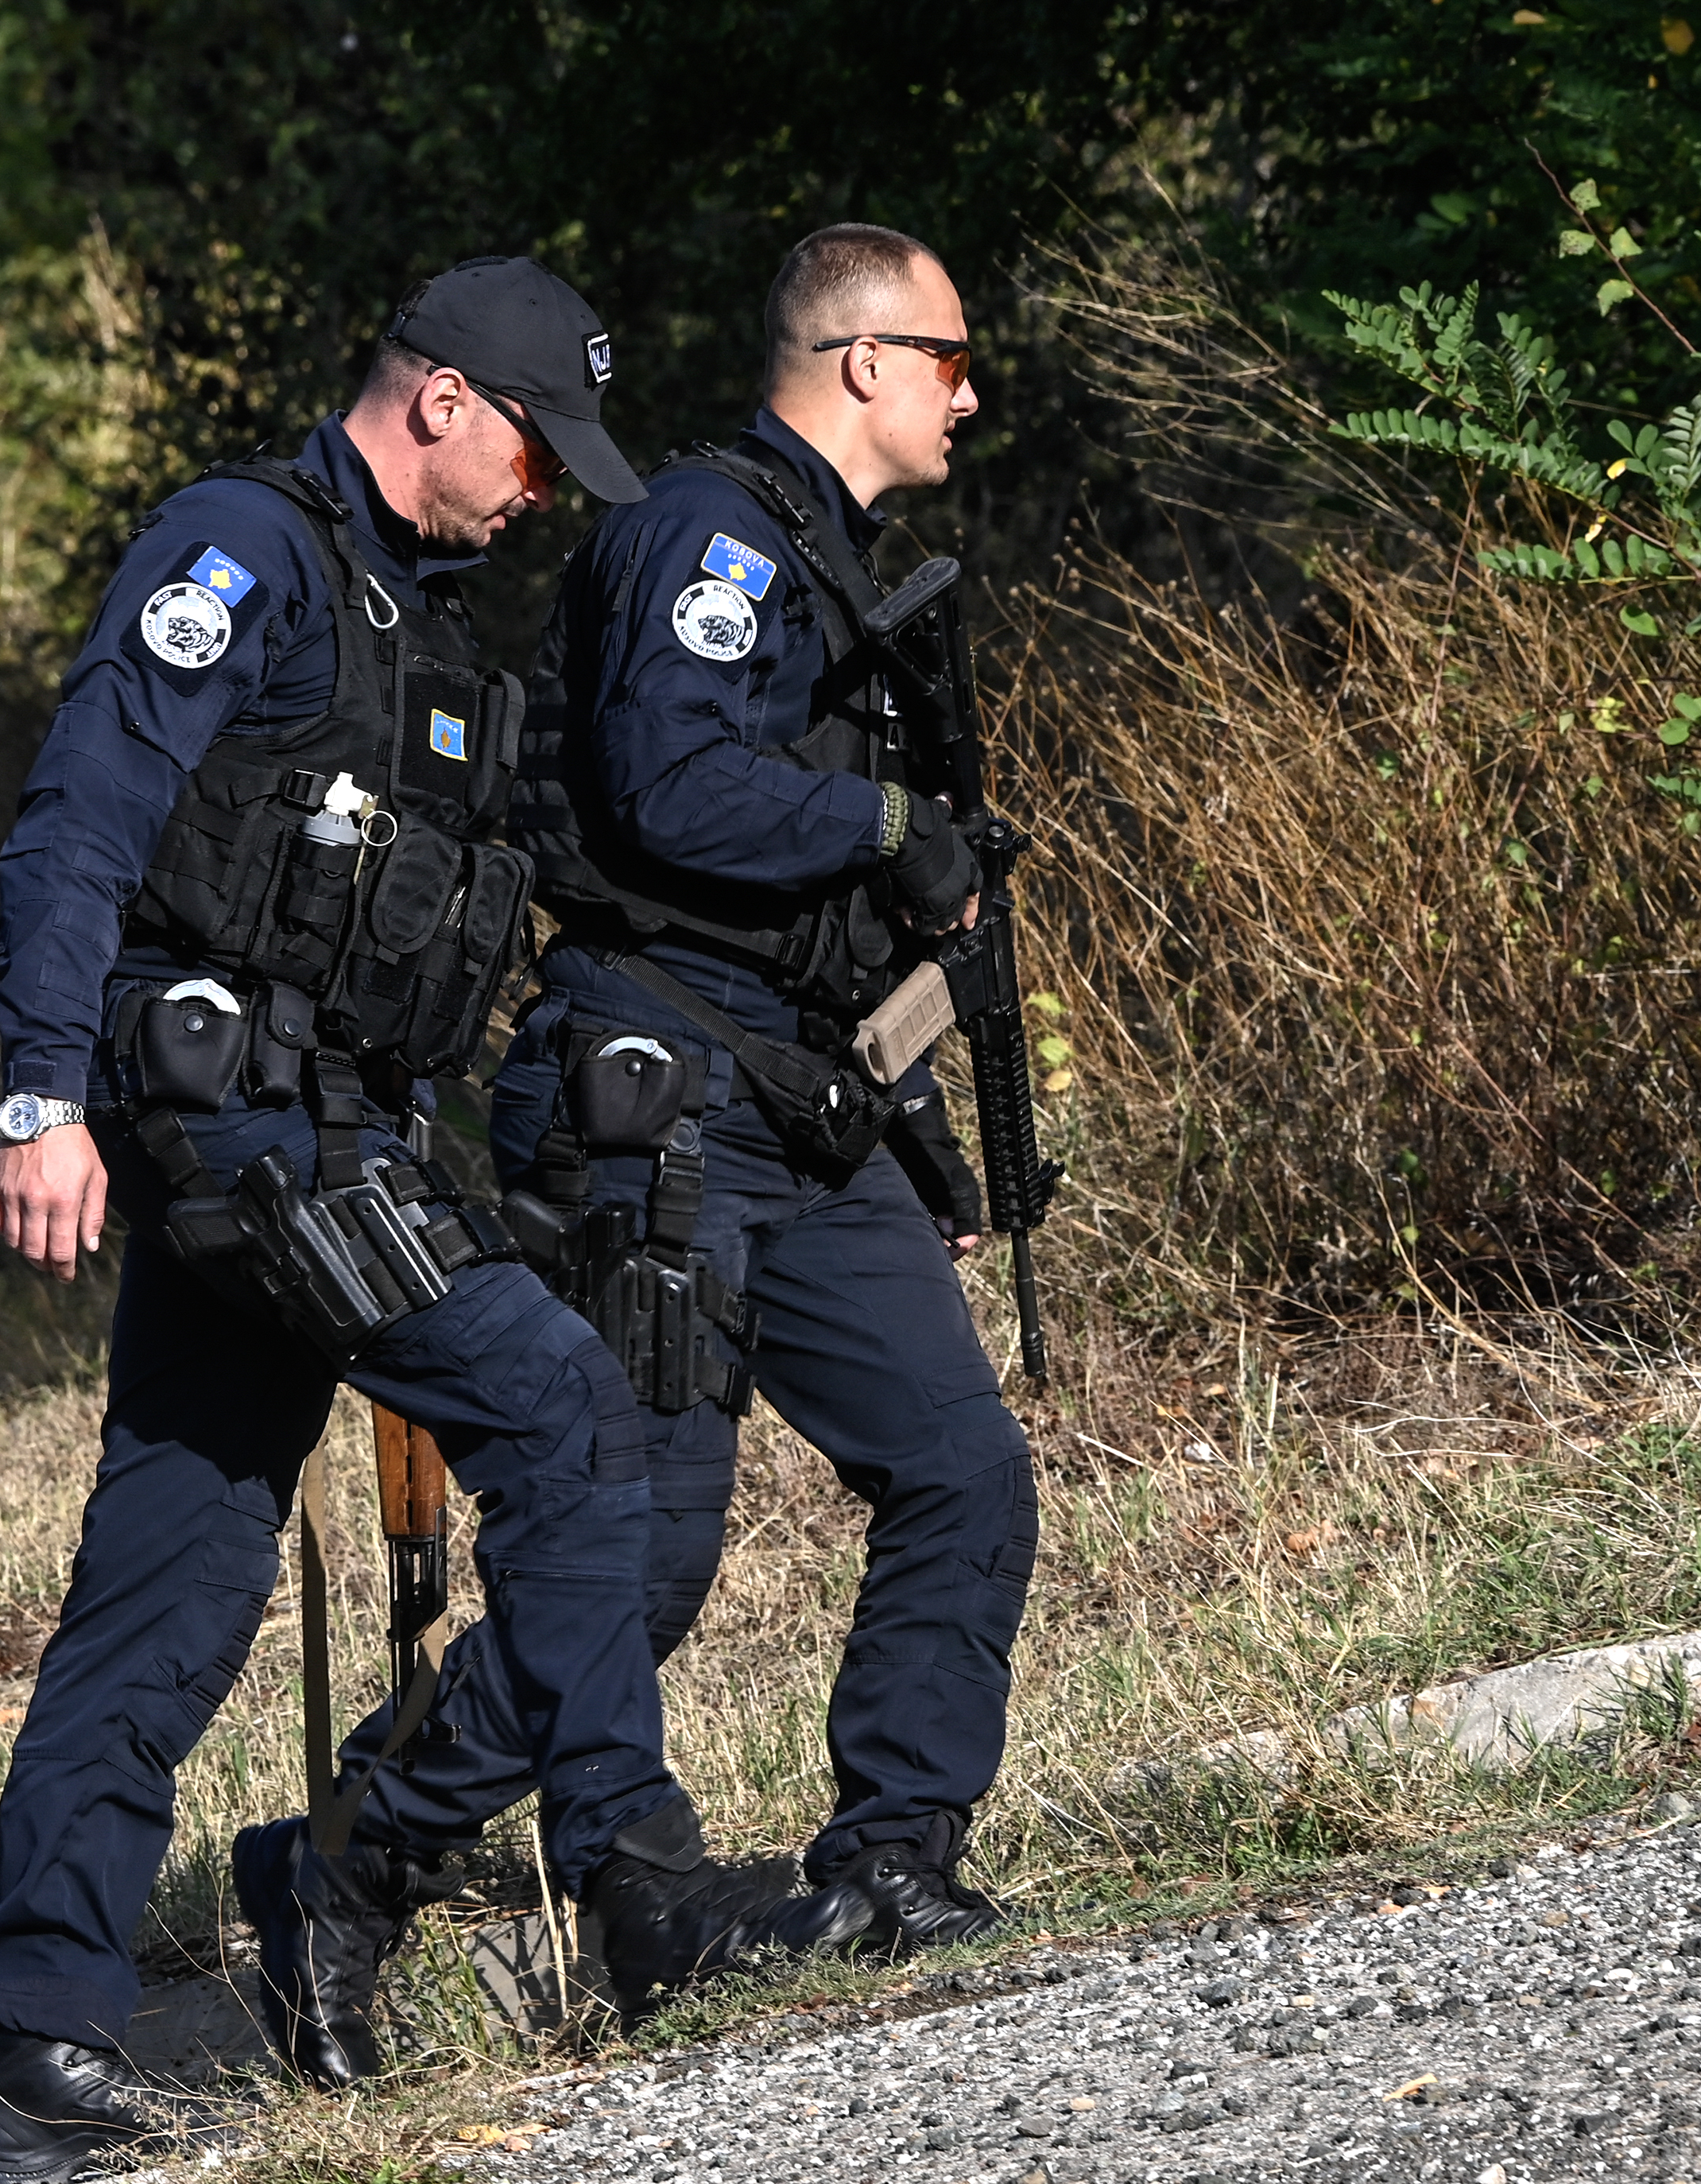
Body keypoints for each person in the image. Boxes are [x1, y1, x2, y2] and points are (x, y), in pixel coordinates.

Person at [0, 258, 868, 2180]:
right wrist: (40, 1097)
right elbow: (79, 818)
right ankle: (632, 1884)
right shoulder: (245, 555)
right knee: (560, 1408)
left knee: (170, 1574)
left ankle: (33, 2051)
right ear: (441, 399)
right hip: (236, 1132)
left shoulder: (426, 625)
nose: (542, 493)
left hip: (332, 1136)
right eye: (535, 449)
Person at [258, 226, 1040, 2010]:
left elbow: (820, 913)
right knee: (647, 1553)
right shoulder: (710, 536)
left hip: (808, 1104)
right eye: (945, 358)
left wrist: (919, 1121)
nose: (967, 394)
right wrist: (885, 831)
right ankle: (354, 1853)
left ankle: (895, 1859)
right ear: (859, 361)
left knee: (960, 1466)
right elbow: (673, 788)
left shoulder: (830, 563)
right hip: (657, 1108)